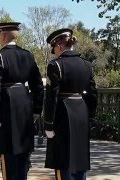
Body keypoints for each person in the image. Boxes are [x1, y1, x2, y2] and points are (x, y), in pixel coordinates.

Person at [0, 21, 44, 180]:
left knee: (8, 156)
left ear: (4, 35)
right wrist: (36, 110)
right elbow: (38, 86)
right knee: (23, 155)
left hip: (7, 106)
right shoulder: (28, 55)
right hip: (25, 105)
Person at [44, 28, 98, 180]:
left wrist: (48, 124)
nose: (54, 52)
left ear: (59, 45)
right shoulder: (87, 65)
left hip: (62, 116)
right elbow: (93, 94)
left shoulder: (55, 65)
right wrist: (90, 117)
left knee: (63, 161)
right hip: (82, 114)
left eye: (54, 48)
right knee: (80, 160)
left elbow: (51, 98)